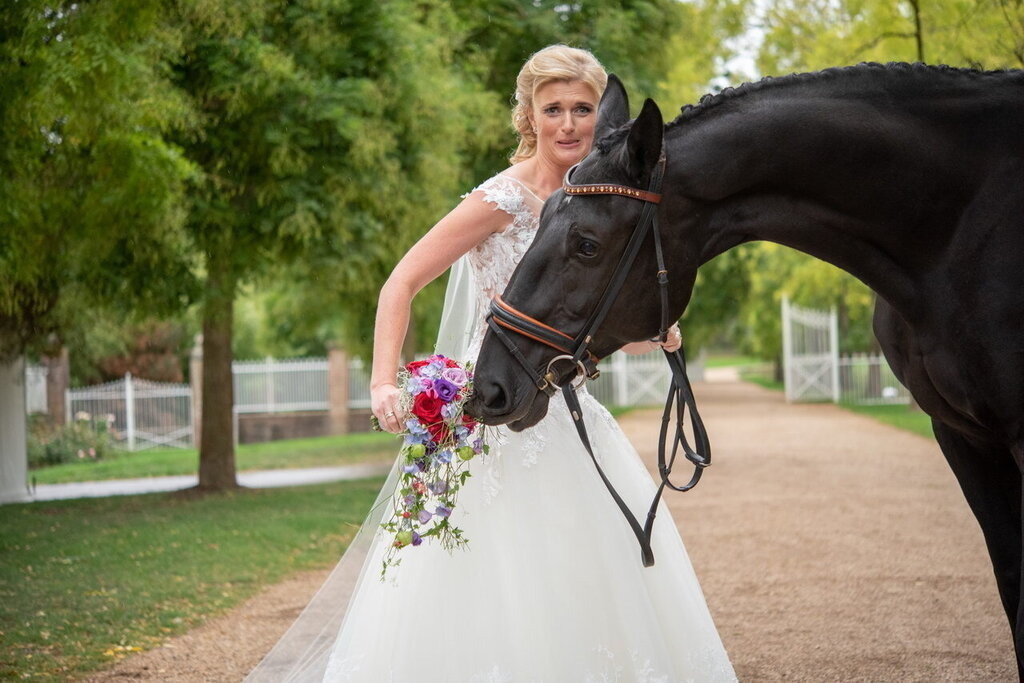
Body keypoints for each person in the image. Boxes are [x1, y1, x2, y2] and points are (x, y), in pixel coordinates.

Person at [247, 44, 736, 682]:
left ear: (600, 117)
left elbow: (584, 317)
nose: (568, 123)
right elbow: (400, 283)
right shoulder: (501, 199)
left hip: (567, 413)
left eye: (582, 109)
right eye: (552, 108)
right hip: (494, 411)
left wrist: (657, 334)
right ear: (529, 117)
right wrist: (379, 383)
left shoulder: (602, 198)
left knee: (590, 573)